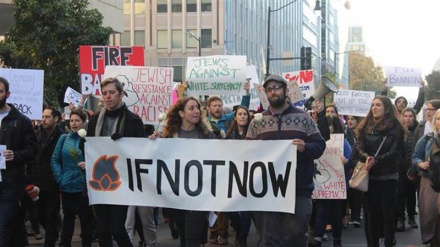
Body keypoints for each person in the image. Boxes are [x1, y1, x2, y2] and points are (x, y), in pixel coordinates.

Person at [246, 74, 326, 246]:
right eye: (269, 89)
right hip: (267, 191)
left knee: (296, 236)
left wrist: (305, 147)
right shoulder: (257, 122)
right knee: (270, 239)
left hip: (298, 190)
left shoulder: (304, 118)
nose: (273, 92)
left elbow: (320, 146)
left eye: (276, 88)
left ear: (285, 90)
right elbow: (247, 153)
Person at [87, 77, 146, 247]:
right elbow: (89, 147)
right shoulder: (94, 121)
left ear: (121, 94)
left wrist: (125, 142)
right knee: (103, 230)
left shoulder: (133, 120)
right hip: (99, 180)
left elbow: (141, 150)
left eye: (112, 92)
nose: (108, 96)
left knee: (117, 228)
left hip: (122, 181)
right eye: (105, 93)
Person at [150, 96, 216, 247]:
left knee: (192, 237)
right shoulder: (168, 137)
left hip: (199, 195)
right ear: (181, 113)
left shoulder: (207, 135)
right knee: (184, 236)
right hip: (176, 195)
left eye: (197, 108)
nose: (196, 111)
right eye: (191, 108)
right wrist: (153, 143)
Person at [354, 95, 405, 247]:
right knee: (371, 216)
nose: (374, 108)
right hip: (370, 176)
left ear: (387, 108)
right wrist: (367, 157)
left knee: (387, 214)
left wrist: (378, 159)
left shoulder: (395, 126)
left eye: (378, 105)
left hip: (388, 176)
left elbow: (396, 150)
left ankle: (388, 242)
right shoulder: (365, 125)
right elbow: (359, 146)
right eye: (373, 105)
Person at [0, 76, 38, 246]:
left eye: (0, 91)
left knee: (2, 224)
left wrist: (16, 155)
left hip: (11, 182)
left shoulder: (21, 120)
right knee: (14, 225)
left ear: (7, 94)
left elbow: (32, 150)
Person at [51, 109, 93, 247]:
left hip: (84, 187)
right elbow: (55, 160)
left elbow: (97, 160)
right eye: (72, 120)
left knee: (86, 221)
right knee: (68, 220)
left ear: (84, 122)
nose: (74, 123)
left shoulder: (89, 140)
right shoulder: (63, 139)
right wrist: (60, 178)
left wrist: (89, 165)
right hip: (67, 186)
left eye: (77, 120)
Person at [34, 107, 65, 247]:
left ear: (56, 119)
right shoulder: (37, 134)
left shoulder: (61, 136)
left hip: (52, 180)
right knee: (39, 213)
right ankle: (55, 228)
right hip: (38, 180)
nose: (44, 120)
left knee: (51, 214)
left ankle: (50, 241)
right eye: (43, 116)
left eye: (47, 117)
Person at [412, 108, 440, 246]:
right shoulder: (427, 138)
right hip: (429, 181)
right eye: (439, 118)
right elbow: (415, 157)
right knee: (430, 215)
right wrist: (421, 164)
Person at [396, 108, 419, 231]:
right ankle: (400, 218)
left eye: (410, 116)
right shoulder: (398, 131)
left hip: (413, 168)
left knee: (411, 194)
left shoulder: (418, 131)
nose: (408, 118)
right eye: (405, 116)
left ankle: (411, 216)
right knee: (400, 194)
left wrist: (412, 169)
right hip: (400, 168)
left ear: (414, 117)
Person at [345, 115, 364, 228]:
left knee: (357, 192)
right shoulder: (344, 132)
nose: (350, 121)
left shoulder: (360, 134)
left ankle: (356, 216)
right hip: (348, 165)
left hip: (358, 166)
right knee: (350, 193)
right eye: (349, 119)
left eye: (353, 119)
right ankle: (351, 215)